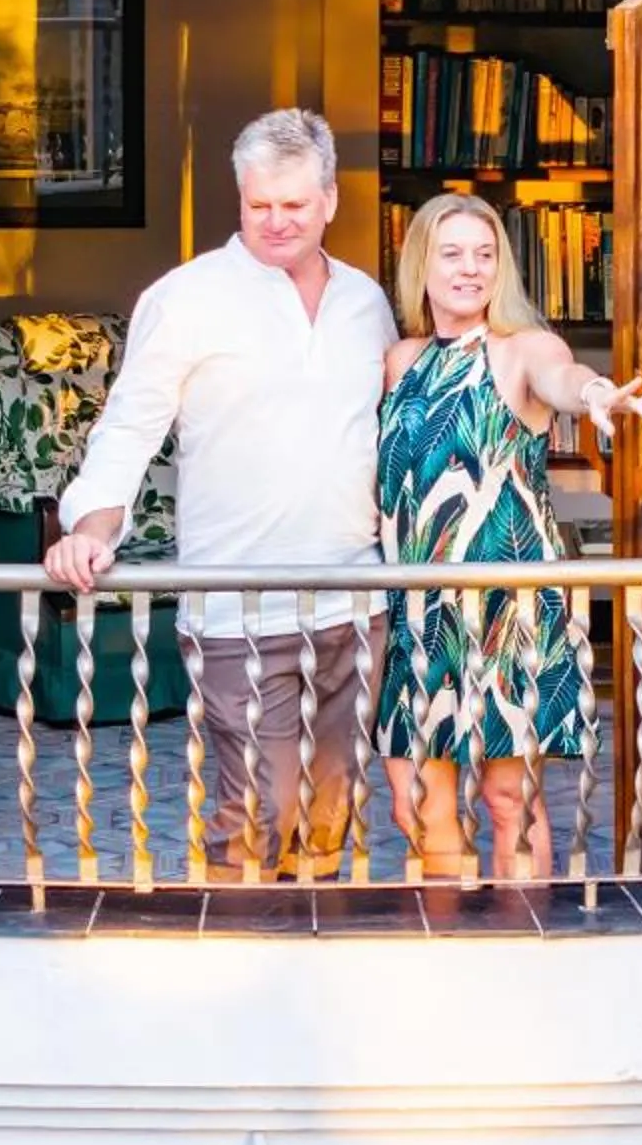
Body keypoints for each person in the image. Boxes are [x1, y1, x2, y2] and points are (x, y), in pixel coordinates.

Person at [46, 109, 396, 881]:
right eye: (258, 205)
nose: (276, 222)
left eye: (295, 206)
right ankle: (235, 960)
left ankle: (304, 957)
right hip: (238, 612)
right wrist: (90, 526)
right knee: (255, 812)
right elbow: (129, 429)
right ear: (239, 198)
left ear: (330, 201)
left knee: (330, 814)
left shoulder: (366, 302)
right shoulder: (186, 298)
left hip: (354, 601)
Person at [374, 192, 642, 879]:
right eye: (452, 253)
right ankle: (450, 949)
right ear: (422, 264)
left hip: (510, 612)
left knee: (509, 798)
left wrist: (596, 395)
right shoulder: (400, 361)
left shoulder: (522, 349)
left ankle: (520, 946)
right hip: (418, 614)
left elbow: (562, 379)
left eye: (485, 253)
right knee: (415, 804)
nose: (469, 269)